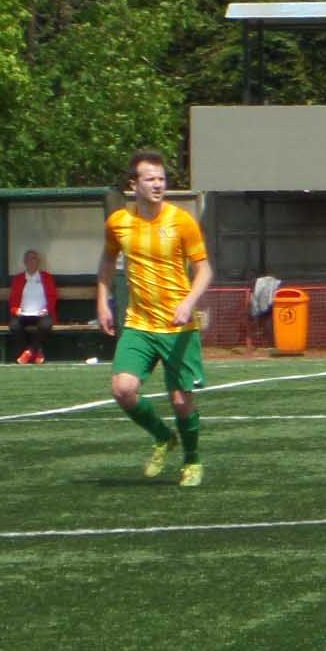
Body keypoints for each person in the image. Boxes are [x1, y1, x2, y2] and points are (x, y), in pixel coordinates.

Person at [95, 151, 214, 486]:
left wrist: (188, 302)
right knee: (123, 389)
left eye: (162, 179)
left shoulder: (182, 221)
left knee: (181, 401)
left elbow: (204, 270)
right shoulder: (118, 223)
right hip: (139, 324)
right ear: (133, 185)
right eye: (150, 179)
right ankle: (163, 436)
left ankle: (192, 459)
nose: (158, 184)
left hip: (179, 328)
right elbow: (107, 261)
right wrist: (102, 302)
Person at [8, 250, 59, 365]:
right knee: (14, 326)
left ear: (38, 262)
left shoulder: (47, 277)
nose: (31, 261)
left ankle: (29, 352)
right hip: (23, 314)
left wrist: (46, 310)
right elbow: (13, 299)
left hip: (42, 314)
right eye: (29, 259)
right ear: (24, 262)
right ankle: (37, 350)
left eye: (34, 259)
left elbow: (53, 296)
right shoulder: (18, 279)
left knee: (46, 325)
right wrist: (16, 310)